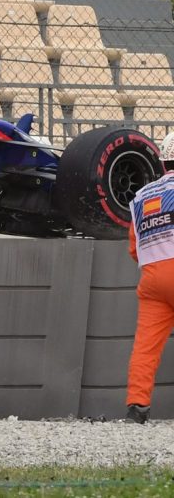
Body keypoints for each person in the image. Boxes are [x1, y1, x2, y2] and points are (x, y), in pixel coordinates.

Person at [125, 131, 174, 424]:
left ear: (163, 162)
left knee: (146, 346)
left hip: (153, 277)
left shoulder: (142, 195)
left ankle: (137, 407)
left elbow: (134, 248)